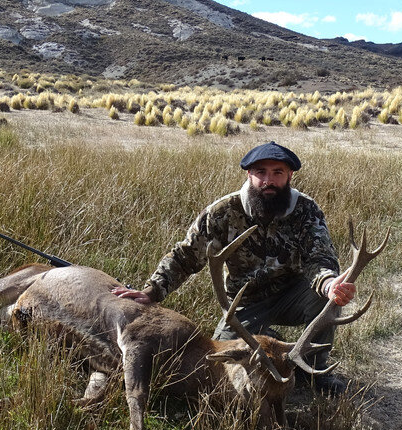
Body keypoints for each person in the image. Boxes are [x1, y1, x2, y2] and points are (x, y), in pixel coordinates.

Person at [114, 141, 355, 396]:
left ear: (290, 176)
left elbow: (320, 257)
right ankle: (266, 335)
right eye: (261, 172)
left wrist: (329, 284)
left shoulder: (307, 210)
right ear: (248, 174)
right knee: (223, 358)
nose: (268, 181)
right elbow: (185, 255)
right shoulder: (223, 212)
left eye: (277, 173)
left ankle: (314, 370)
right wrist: (152, 291)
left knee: (328, 299)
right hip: (246, 301)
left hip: (292, 295)